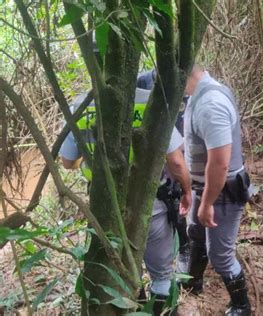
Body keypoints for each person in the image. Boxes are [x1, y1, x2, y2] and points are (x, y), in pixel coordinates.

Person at [60, 88, 192, 316]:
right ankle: (162, 311)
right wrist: (187, 190)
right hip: (149, 205)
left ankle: (135, 306)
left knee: (120, 268)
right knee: (161, 273)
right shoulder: (151, 101)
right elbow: (176, 162)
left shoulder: (79, 106)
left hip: (104, 208)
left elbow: (67, 161)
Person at [183, 66, 251, 316]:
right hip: (207, 189)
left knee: (220, 255)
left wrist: (207, 202)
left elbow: (221, 162)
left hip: (222, 192)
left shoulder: (210, 103)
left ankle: (242, 306)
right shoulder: (198, 94)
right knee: (196, 233)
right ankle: (193, 281)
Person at [137, 69, 190, 275]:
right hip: (156, 152)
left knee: (177, 199)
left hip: (178, 146)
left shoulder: (184, 79)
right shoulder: (141, 82)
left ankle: (184, 245)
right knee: (166, 199)